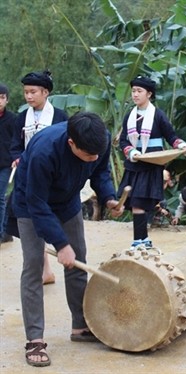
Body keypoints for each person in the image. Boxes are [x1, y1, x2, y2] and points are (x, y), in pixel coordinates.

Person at [11, 112, 124, 367]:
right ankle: (35, 339)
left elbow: (101, 173)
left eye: (97, 153)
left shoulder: (99, 141)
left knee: (78, 260)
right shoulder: (44, 151)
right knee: (33, 267)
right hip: (31, 205)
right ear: (71, 143)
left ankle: (80, 326)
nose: (93, 158)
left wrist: (109, 198)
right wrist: (60, 245)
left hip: (68, 202)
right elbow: (37, 203)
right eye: (88, 155)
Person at [8, 70, 69, 284]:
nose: (28, 97)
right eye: (26, 92)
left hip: (51, 177)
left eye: (33, 92)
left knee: (47, 219)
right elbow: (16, 145)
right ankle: (45, 270)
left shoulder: (60, 117)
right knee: (31, 221)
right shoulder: (22, 117)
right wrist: (16, 158)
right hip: (27, 175)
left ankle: (50, 267)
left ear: (45, 92)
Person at [118, 76, 186, 250]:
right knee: (136, 202)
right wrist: (131, 151)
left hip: (151, 164)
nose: (135, 94)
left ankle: (140, 240)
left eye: (139, 91)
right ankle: (141, 240)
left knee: (139, 203)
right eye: (133, 91)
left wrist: (180, 144)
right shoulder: (129, 116)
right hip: (134, 164)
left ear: (149, 94)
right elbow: (123, 141)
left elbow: (170, 135)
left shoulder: (158, 115)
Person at [0, 84, 16, 244]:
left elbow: (17, 142)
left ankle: (1, 232)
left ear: (7, 100)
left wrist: (15, 158)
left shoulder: (12, 120)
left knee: (0, 197)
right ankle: (5, 231)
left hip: (6, 164)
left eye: (2, 97)